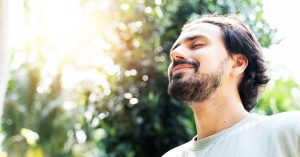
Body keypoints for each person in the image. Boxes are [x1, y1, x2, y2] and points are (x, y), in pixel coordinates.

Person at [163, 14, 300, 157]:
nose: (175, 53)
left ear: (237, 63)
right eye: (175, 49)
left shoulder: (290, 131)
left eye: (197, 44)